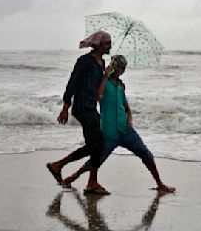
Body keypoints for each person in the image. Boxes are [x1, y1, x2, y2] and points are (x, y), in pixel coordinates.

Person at [62, 54, 175, 193]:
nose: (120, 71)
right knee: (97, 160)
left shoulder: (121, 86)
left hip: (125, 131)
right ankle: (72, 177)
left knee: (146, 154)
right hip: (109, 132)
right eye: (118, 67)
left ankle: (160, 184)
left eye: (122, 68)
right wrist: (105, 76)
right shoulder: (103, 82)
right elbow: (98, 96)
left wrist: (130, 120)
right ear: (112, 67)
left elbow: (127, 108)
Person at [46, 31, 112, 195]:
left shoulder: (101, 63)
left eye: (110, 43)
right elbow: (72, 83)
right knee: (97, 144)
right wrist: (65, 107)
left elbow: (98, 92)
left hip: (91, 106)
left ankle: (60, 166)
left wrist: (106, 76)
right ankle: (90, 182)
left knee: (96, 145)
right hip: (82, 106)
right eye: (106, 43)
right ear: (98, 45)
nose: (109, 46)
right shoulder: (84, 61)